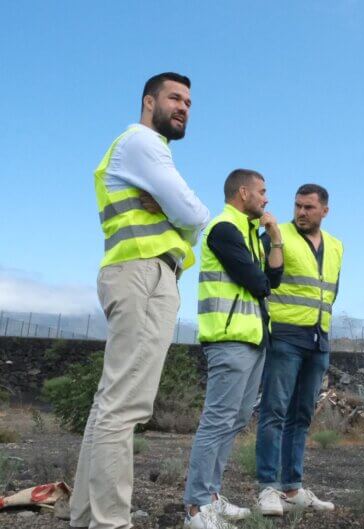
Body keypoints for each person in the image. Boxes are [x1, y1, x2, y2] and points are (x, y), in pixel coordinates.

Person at [71, 72, 210, 529]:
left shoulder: (139, 149)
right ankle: (111, 522)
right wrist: (177, 211)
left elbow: (185, 215)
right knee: (125, 406)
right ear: (149, 102)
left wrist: (172, 209)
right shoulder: (143, 144)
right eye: (175, 98)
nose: (184, 106)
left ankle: (86, 517)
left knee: (109, 403)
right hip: (145, 274)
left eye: (188, 101)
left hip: (132, 272)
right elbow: (195, 213)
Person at [182, 169, 284, 529]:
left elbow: (273, 278)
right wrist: (265, 268)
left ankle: (211, 496)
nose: (266, 199)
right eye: (262, 191)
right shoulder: (224, 229)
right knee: (217, 420)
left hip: (252, 340)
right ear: (243, 192)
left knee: (237, 419)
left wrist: (275, 238)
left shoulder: (250, 234)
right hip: (229, 340)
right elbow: (258, 282)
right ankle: (196, 508)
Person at [256, 184, 342, 516]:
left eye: (308, 207)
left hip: (319, 340)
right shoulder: (277, 236)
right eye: (297, 206)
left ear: (325, 211)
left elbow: (331, 292)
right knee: (274, 412)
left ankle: (292, 488)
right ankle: (268, 488)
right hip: (285, 337)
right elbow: (264, 278)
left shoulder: (336, 246)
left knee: (302, 416)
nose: (301, 212)